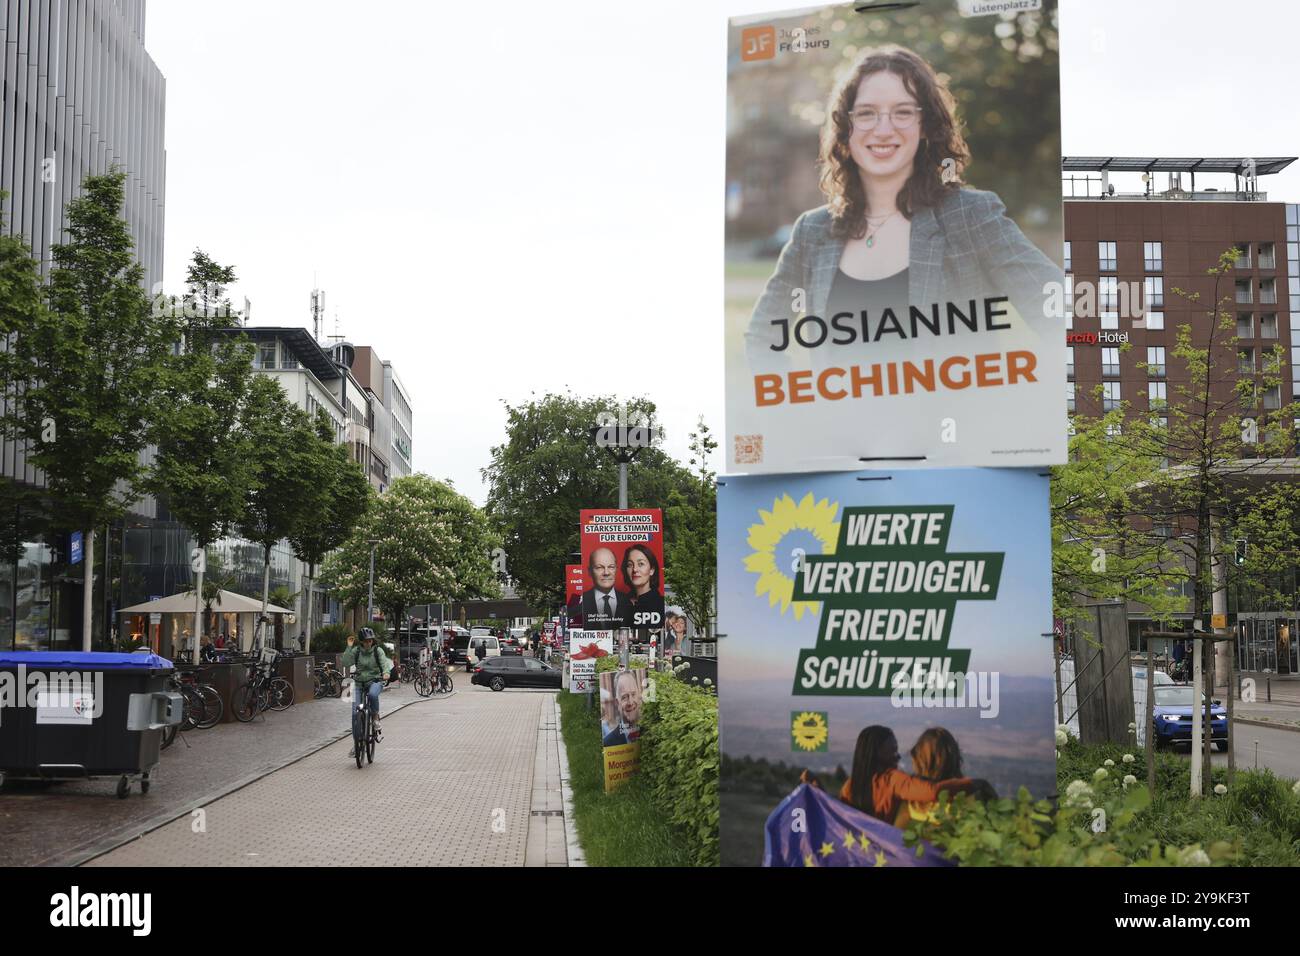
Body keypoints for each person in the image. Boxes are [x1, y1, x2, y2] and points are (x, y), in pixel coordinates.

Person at [744, 45, 1059, 371]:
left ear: (925, 125)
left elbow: (1061, 313)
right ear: (846, 127)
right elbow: (762, 336)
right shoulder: (812, 231)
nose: (883, 129)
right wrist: (795, 415)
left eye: (903, 112)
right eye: (866, 113)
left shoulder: (970, 216)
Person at [832, 725, 985, 824]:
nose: (898, 756)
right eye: (892, 751)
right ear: (876, 753)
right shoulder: (893, 780)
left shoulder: (850, 786)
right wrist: (975, 784)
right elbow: (933, 791)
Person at [893, 727, 995, 828]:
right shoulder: (974, 797)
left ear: (919, 759)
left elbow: (895, 836)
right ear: (954, 757)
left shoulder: (910, 802)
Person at [340, 628, 392, 758]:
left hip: (374, 681)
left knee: (373, 695)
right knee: (354, 714)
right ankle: (356, 744)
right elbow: (345, 662)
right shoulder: (357, 651)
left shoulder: (377, 651)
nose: (368, 643)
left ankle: (375, 718)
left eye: (370, 640)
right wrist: (348, 647)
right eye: (366, 641)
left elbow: (384, 663)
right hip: (358, 683)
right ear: (362, 642)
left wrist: (386, 673)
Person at [580, 547, 631, 627]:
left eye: (611, 567)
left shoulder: (628, 601)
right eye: (599, 567)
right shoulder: (581, 601)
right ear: (590, 571)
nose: (606, 573)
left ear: (616, 569)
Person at [621, 544, 664, 630]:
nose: (634, 569)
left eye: (641, 564)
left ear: (652, 570)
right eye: (630, 565)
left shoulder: (661, 604)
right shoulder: (620, 602)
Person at [601, 670, 644, 747]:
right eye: (624, 697)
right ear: (617, 703)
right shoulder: (608, 743)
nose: (630, 702)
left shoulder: (652, 731)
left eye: (633, 694)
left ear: (639, 696)